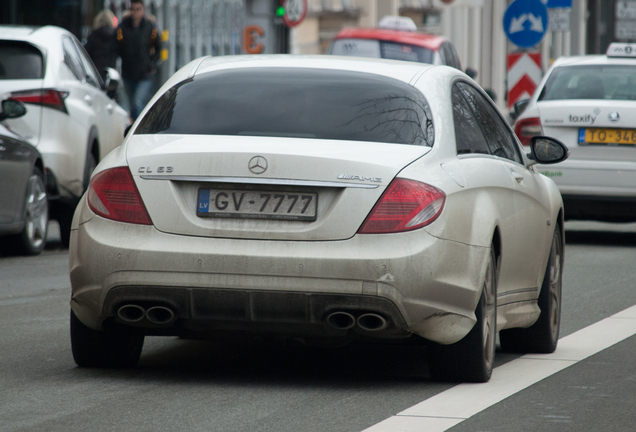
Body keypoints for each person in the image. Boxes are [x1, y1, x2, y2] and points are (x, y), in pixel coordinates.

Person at [116, 0, 161, 120]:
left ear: (143, 10)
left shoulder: (149, 27)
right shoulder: (123, 27)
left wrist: (152, 64)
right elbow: (117, 46)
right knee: (132, 106)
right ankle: (139, 127)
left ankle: (137, 133)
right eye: (132, 9)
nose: (135, 12)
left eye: (138, 9)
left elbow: (159, 47)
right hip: (128, 73)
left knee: (137, 103)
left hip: (144, 74)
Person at [84, 9, 118, 83]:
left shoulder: (93, 36)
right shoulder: (114, 36)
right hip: (109, 71)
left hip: (96, 71)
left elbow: (87, 53)